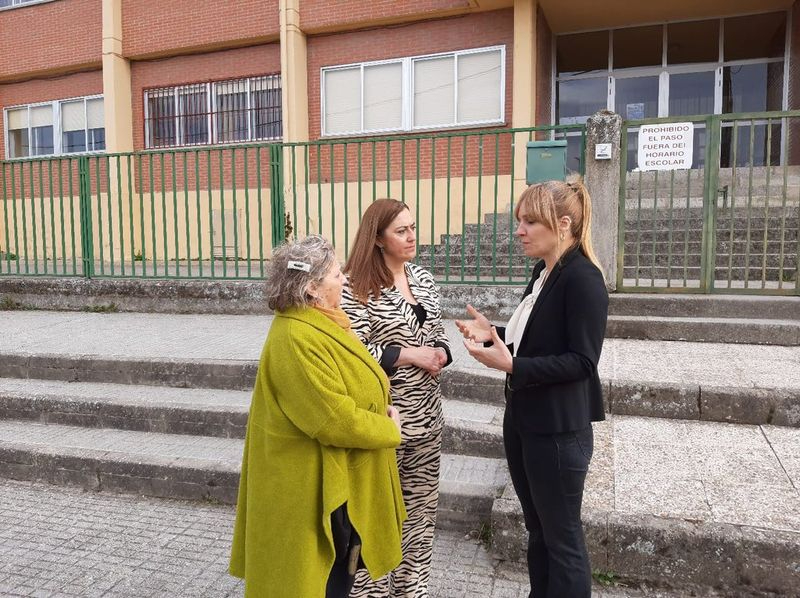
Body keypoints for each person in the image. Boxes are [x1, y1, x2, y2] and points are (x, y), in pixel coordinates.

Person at [229, 235, 407, 598]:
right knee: (320, 582)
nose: (344, 279)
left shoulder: (322, 322)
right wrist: (388, 428)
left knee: (335, 579)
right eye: (336, 273)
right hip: (309, 493)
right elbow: (335, 420)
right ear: (312, 288)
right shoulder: (296, 336)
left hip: (328, 482)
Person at [456, 178, 608, 598]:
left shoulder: (583, 278)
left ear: (562, 225)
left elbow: (582, 361)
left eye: (528, 222)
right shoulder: (543, 273)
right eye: (519, 220)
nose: (518, 230)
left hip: (558, 433)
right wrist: (494, 334)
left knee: (563, 541)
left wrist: (512, 364)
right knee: (538, 530)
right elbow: (536, 341)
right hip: (525, 422)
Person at [341, 198, 451, 598]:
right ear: (377, 239)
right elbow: (350, 354)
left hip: (427, 418)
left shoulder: (422, 278)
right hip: (385, 420)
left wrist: (441, 351)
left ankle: (410, 592)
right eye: (401, 230)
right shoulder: (353, 286)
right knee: (377, 520)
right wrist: (406, 354)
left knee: (420, 519)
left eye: (413, 227)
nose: (411, 236)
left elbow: (435, 333)